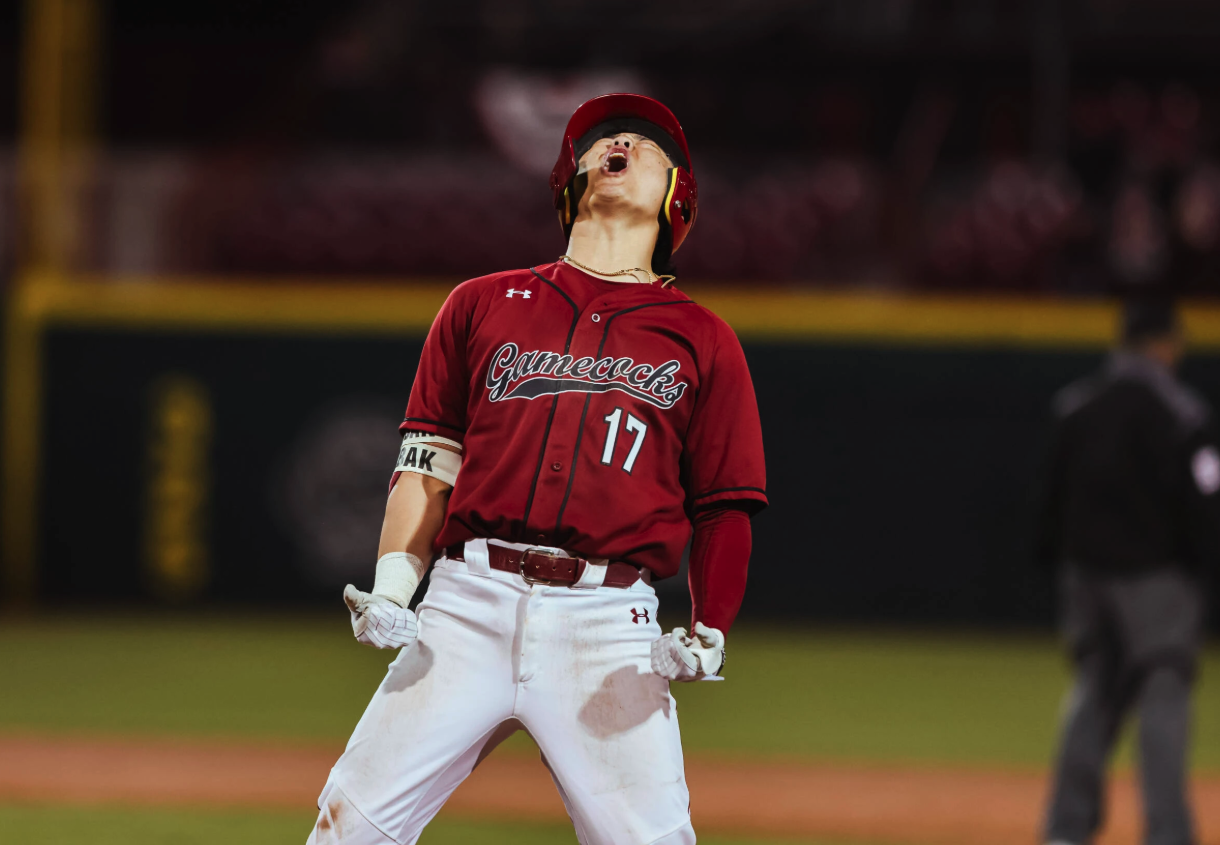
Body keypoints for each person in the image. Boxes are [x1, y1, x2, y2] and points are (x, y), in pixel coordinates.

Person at [306, 93, 767, 845]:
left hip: (606, 628)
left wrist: (709, 627)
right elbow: (426, 464)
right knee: (345, 828)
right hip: (465, 606)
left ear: (678, 196)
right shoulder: (481, 303)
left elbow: (724, 505)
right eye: (604, 142)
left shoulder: (703, 339)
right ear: (568, 181)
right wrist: (393, 585)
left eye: (647, 147)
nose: (621, 146)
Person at [1039, 296, 1219, 845]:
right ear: (1166, 344)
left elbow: (1050, 500)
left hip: (1085, 574)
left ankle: (1066, 830)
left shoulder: (1076, 406)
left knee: (1093, 693)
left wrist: (1058, 563)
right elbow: (1207, 503)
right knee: (1163, 695)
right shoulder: (1182, 413)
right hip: (1156, 580)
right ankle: (1167, 834)